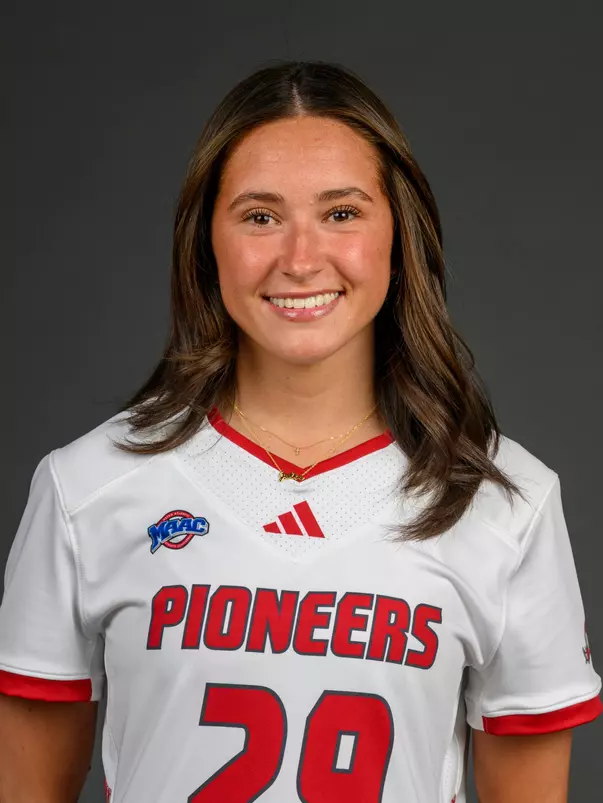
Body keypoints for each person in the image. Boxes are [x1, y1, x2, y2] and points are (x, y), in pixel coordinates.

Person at [0, 59, 600, 803]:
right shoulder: (84, 489)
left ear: (398, 233)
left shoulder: (508, 503)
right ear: (205, 241)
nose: (300, 258)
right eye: (259, 216)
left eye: (341, 212)